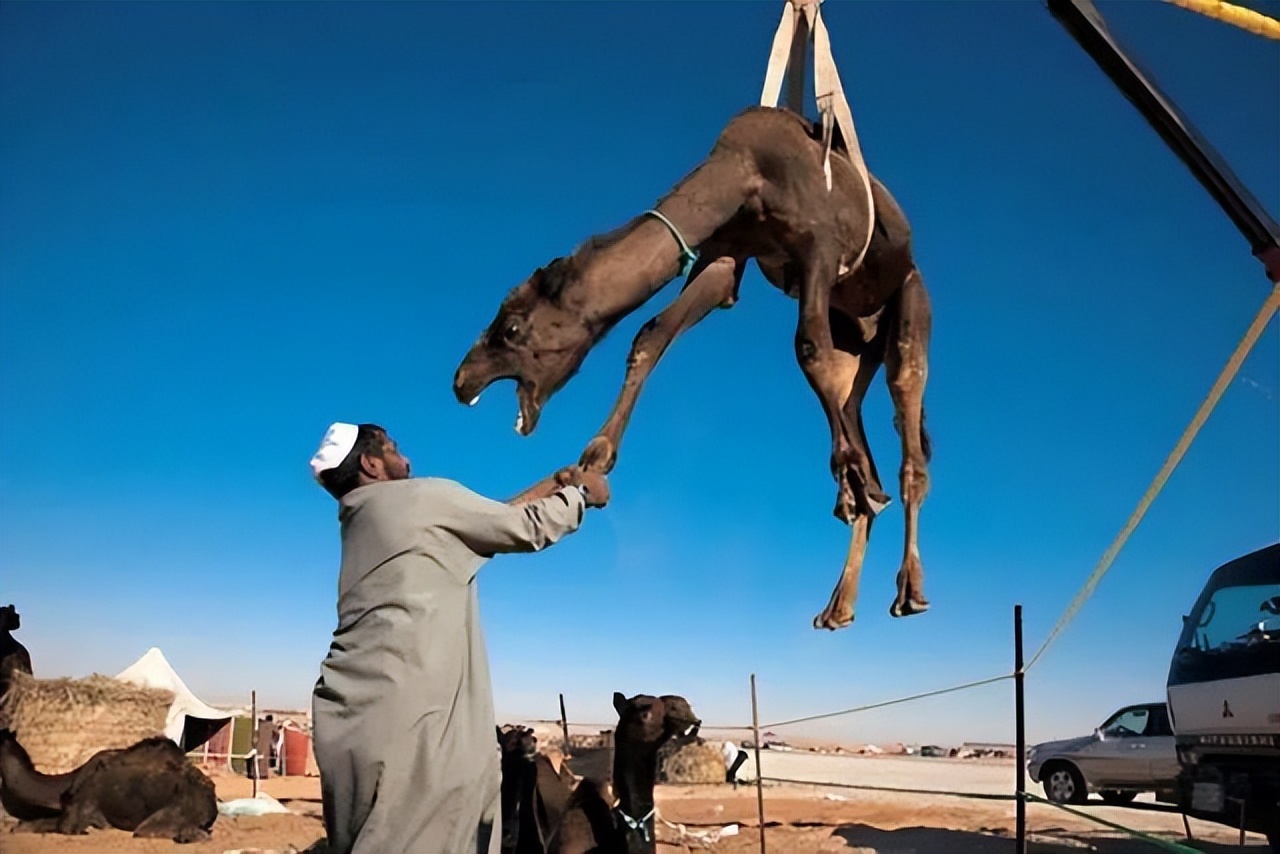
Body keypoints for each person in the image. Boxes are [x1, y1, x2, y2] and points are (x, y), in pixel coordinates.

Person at [308, 422, 608, 854]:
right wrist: (581, 497)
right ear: (372, 463)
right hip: (416, 729)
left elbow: (485, 528)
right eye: (392, 446)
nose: (403, 455)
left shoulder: (366, 520)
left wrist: (555, 482)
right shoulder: (419, 499)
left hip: (350, 727)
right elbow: (522, 529)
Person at [251, 714, 277, 780]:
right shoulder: (271, 725)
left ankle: (254, 773)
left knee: (257, 760)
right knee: (264, 760)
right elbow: (277, 734)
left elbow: (255, 734)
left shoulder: (260, 725)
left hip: (258, 744)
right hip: (266, 744)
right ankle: (263, 775)